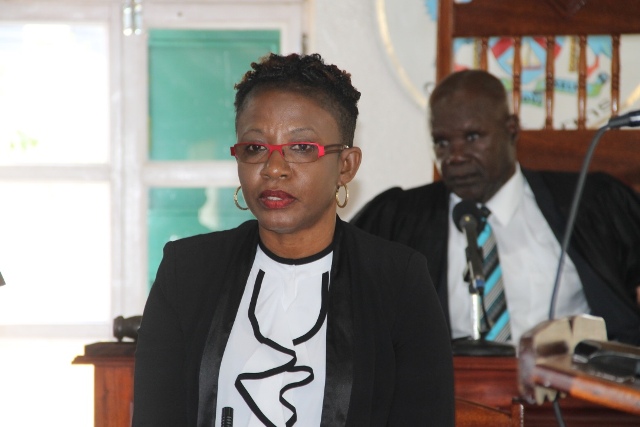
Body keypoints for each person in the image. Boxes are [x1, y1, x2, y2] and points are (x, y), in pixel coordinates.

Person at [132, 53, 454, 427]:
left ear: (346, 166)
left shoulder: (398, 281)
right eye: (255, 148)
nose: (273, 168)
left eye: (301, 148)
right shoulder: (186, 271)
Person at [352, 69, 640, 347]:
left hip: (573, 387)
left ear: (511, 130)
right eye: (442, 142)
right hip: (449, 393)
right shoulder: (395, 220)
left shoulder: (592, 204)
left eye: (472, 137)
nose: (455, 157)